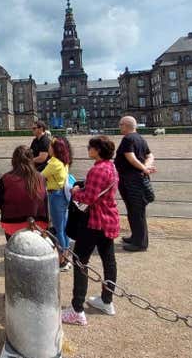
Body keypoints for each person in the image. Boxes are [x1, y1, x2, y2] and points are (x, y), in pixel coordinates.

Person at [62, 136, 120, 325]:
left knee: (80, 261)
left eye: (90, 147)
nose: (88, 149)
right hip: (109, 219)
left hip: (94, 221)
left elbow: (88, 198)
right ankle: (106, 301)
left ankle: (77, 309)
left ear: (98, 150)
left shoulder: (97, 169)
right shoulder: (111, 167)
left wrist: (74, 191)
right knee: (109, 260)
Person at [115, 116, 156, 251]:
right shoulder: (140, 138)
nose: (120, 127)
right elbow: (150, 156)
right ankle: (135, 237)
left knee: (136, 211)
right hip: (137, 179)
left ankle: (140, 243)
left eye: (121, 125)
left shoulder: (128, 139)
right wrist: (146, 166)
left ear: (126, 125)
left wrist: (144, 168)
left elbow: (130, 157)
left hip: (131, 181)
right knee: (134, 211)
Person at [0, 145, 49, 240]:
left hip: (12, 223)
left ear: (14, 160)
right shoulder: (41, 178)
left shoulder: (5, 179)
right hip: (38, 224)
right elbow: (44, 201)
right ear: (31, 159)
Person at [42, 136, 72, 271]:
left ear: (55, 149)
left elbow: (40, 176)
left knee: (59, 229)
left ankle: (62, 260)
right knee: (64, 228)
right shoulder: (63, 161)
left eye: (50, 146)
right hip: (63, 195)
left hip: (56, 196)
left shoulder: (54, 163)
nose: (48, 148)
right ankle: (66, 255)